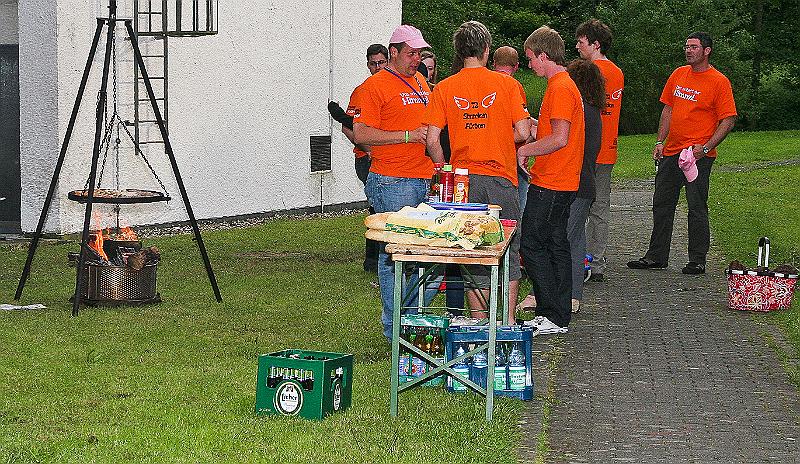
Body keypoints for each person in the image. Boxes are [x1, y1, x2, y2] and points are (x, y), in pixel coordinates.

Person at [424, 21, 531, 323]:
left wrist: (444, 170)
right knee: (507, 246)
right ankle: (507, 322)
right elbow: (523, 132)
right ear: (486, 50)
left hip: (462, 182)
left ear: (458, 51)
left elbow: (431, 140)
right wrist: (498, 137)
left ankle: (479, 321)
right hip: (500, 178)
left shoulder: (444, 87)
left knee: (471, 250)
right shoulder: (508, 85)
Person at [627, 31, 737, 275]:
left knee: (696, 206)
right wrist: (660, 141)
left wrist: (706, 148)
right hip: (672, 151)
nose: (688, 51)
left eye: (694, 47)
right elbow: (668, 110)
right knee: (662, 204)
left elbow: (728, 120)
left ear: (707, 51)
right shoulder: (678, 74)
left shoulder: (719, 81)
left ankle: (697, 260)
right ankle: (656, 256)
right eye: (687, 46)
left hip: (697, 156)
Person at [352, 25, 434, 340]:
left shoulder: (421, 81)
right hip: (392, 180)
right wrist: (407, 136)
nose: (417, 60)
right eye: (411, 54)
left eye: (419, 54)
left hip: (424, 177)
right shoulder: (374, 86)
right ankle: (394, 327)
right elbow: (361, 133)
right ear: (394, 53)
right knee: (394, 257)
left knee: (427, 257)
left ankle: (407, 319)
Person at [517, 26, 584, 334]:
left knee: (532, 244)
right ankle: (558, 314)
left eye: (531, 58)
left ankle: (550, 312)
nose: (530, 65)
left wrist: (524, 150)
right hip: (562, 180)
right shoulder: (564, 85)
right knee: (557, 245)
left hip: (552, 181)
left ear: (543, 56)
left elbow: (559, 138)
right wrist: (533, 125)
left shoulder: (559, 88)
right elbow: (554, 131)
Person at [330, 44, 388, 273]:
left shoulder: (394, 88)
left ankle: (384, 260)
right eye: (373, 64)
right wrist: (369, 149)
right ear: (368, 65)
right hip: (366, 159)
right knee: (376, 209)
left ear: (388, 61)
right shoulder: (362, 91)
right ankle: (373, 261)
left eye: (381, 62)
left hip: (388, 158)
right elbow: (349, 128)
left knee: (384, 209)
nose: (377, 67)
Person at [575, 19, 624, 283]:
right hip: (607, 149)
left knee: (579, 207)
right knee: (600, 208)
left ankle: (579, 259)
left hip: (585, 149)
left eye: (581, 42)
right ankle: (597, 262)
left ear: (595, 44)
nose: (577, 46)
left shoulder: (585, 72)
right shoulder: (617, 72)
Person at [564, 59, 604, 313]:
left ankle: (569, 293)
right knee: (576, 238)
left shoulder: (582, 112)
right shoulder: (593, 111)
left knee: (568, 238)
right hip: (586, 182)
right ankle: (573, 294)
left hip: (577, 184)